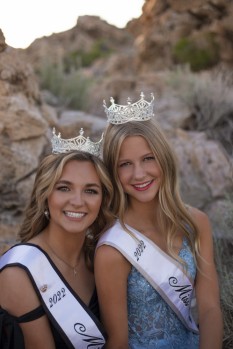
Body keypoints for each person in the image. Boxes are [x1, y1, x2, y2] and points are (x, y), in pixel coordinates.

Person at [94, 92, 223, 349]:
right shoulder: (113, 249)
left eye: (148, 158)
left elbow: (209, 310)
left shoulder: (196, 222)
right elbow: (118, 342)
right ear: (112, 171)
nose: (139, 174)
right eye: (125, 164)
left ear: (163, 157)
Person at [0, 128, 114, 349]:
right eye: (64, 188)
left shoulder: (98, 257)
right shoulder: (19, 273)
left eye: (90, 191)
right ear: (45, 196)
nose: (78, 201)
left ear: (103, 200)